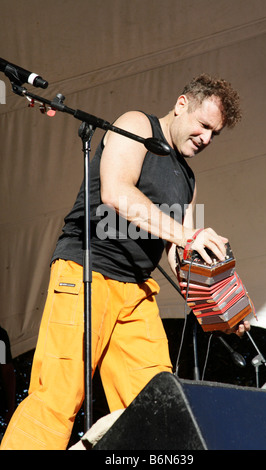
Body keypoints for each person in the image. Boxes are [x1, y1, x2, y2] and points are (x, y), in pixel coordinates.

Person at [1, 73, 249, 450]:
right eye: (203, 126)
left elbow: (177, 250)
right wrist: (191, 235)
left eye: (214, 134)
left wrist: (221, 308)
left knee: (157, 408)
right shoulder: (136, 124)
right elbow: (117, 192)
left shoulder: (188, 178)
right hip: (86, 270)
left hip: (136, 292)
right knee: (57, 396)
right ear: (182, 104)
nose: (206, 139)